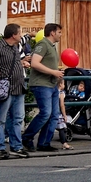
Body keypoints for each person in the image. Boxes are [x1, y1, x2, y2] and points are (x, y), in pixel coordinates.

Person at [0, 24, 30, 159]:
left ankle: (16, 146)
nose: (21, 35)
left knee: (18, 119)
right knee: (0, 119)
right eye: (20, 33)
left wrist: (21, 63)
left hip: (19, 87)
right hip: (5, 88)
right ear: (13, 35)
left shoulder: (15, 47)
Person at [22, 23, 64, 152]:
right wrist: (53, 72)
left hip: (51, 84)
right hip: (41, 84)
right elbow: (34, 63)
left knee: (53, 115)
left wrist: (57, 75)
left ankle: (44, 142)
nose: (60, 35)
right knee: (46, 113)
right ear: (52, 33)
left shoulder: (51, 46)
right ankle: (27, 137)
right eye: (59, 32)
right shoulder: (43, 44)